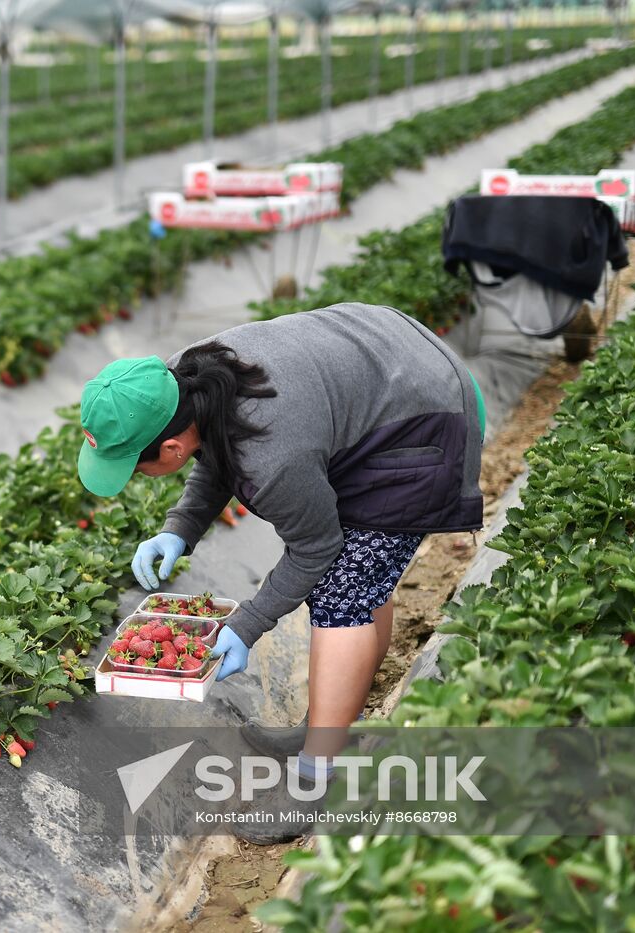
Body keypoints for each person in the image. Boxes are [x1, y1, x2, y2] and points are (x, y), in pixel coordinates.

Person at [77, 302, 486, 816]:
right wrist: (180, 529)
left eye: (134, 467)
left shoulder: (274, 454)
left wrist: (248, 625)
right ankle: (330, 720)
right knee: (359, 578)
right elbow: (219, 452)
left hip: (424, 420)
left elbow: (316, 548)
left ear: (173, 447)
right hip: (392, 371)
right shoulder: (186, 380)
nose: (133, 477)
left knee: (344, 593)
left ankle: (316, 780)